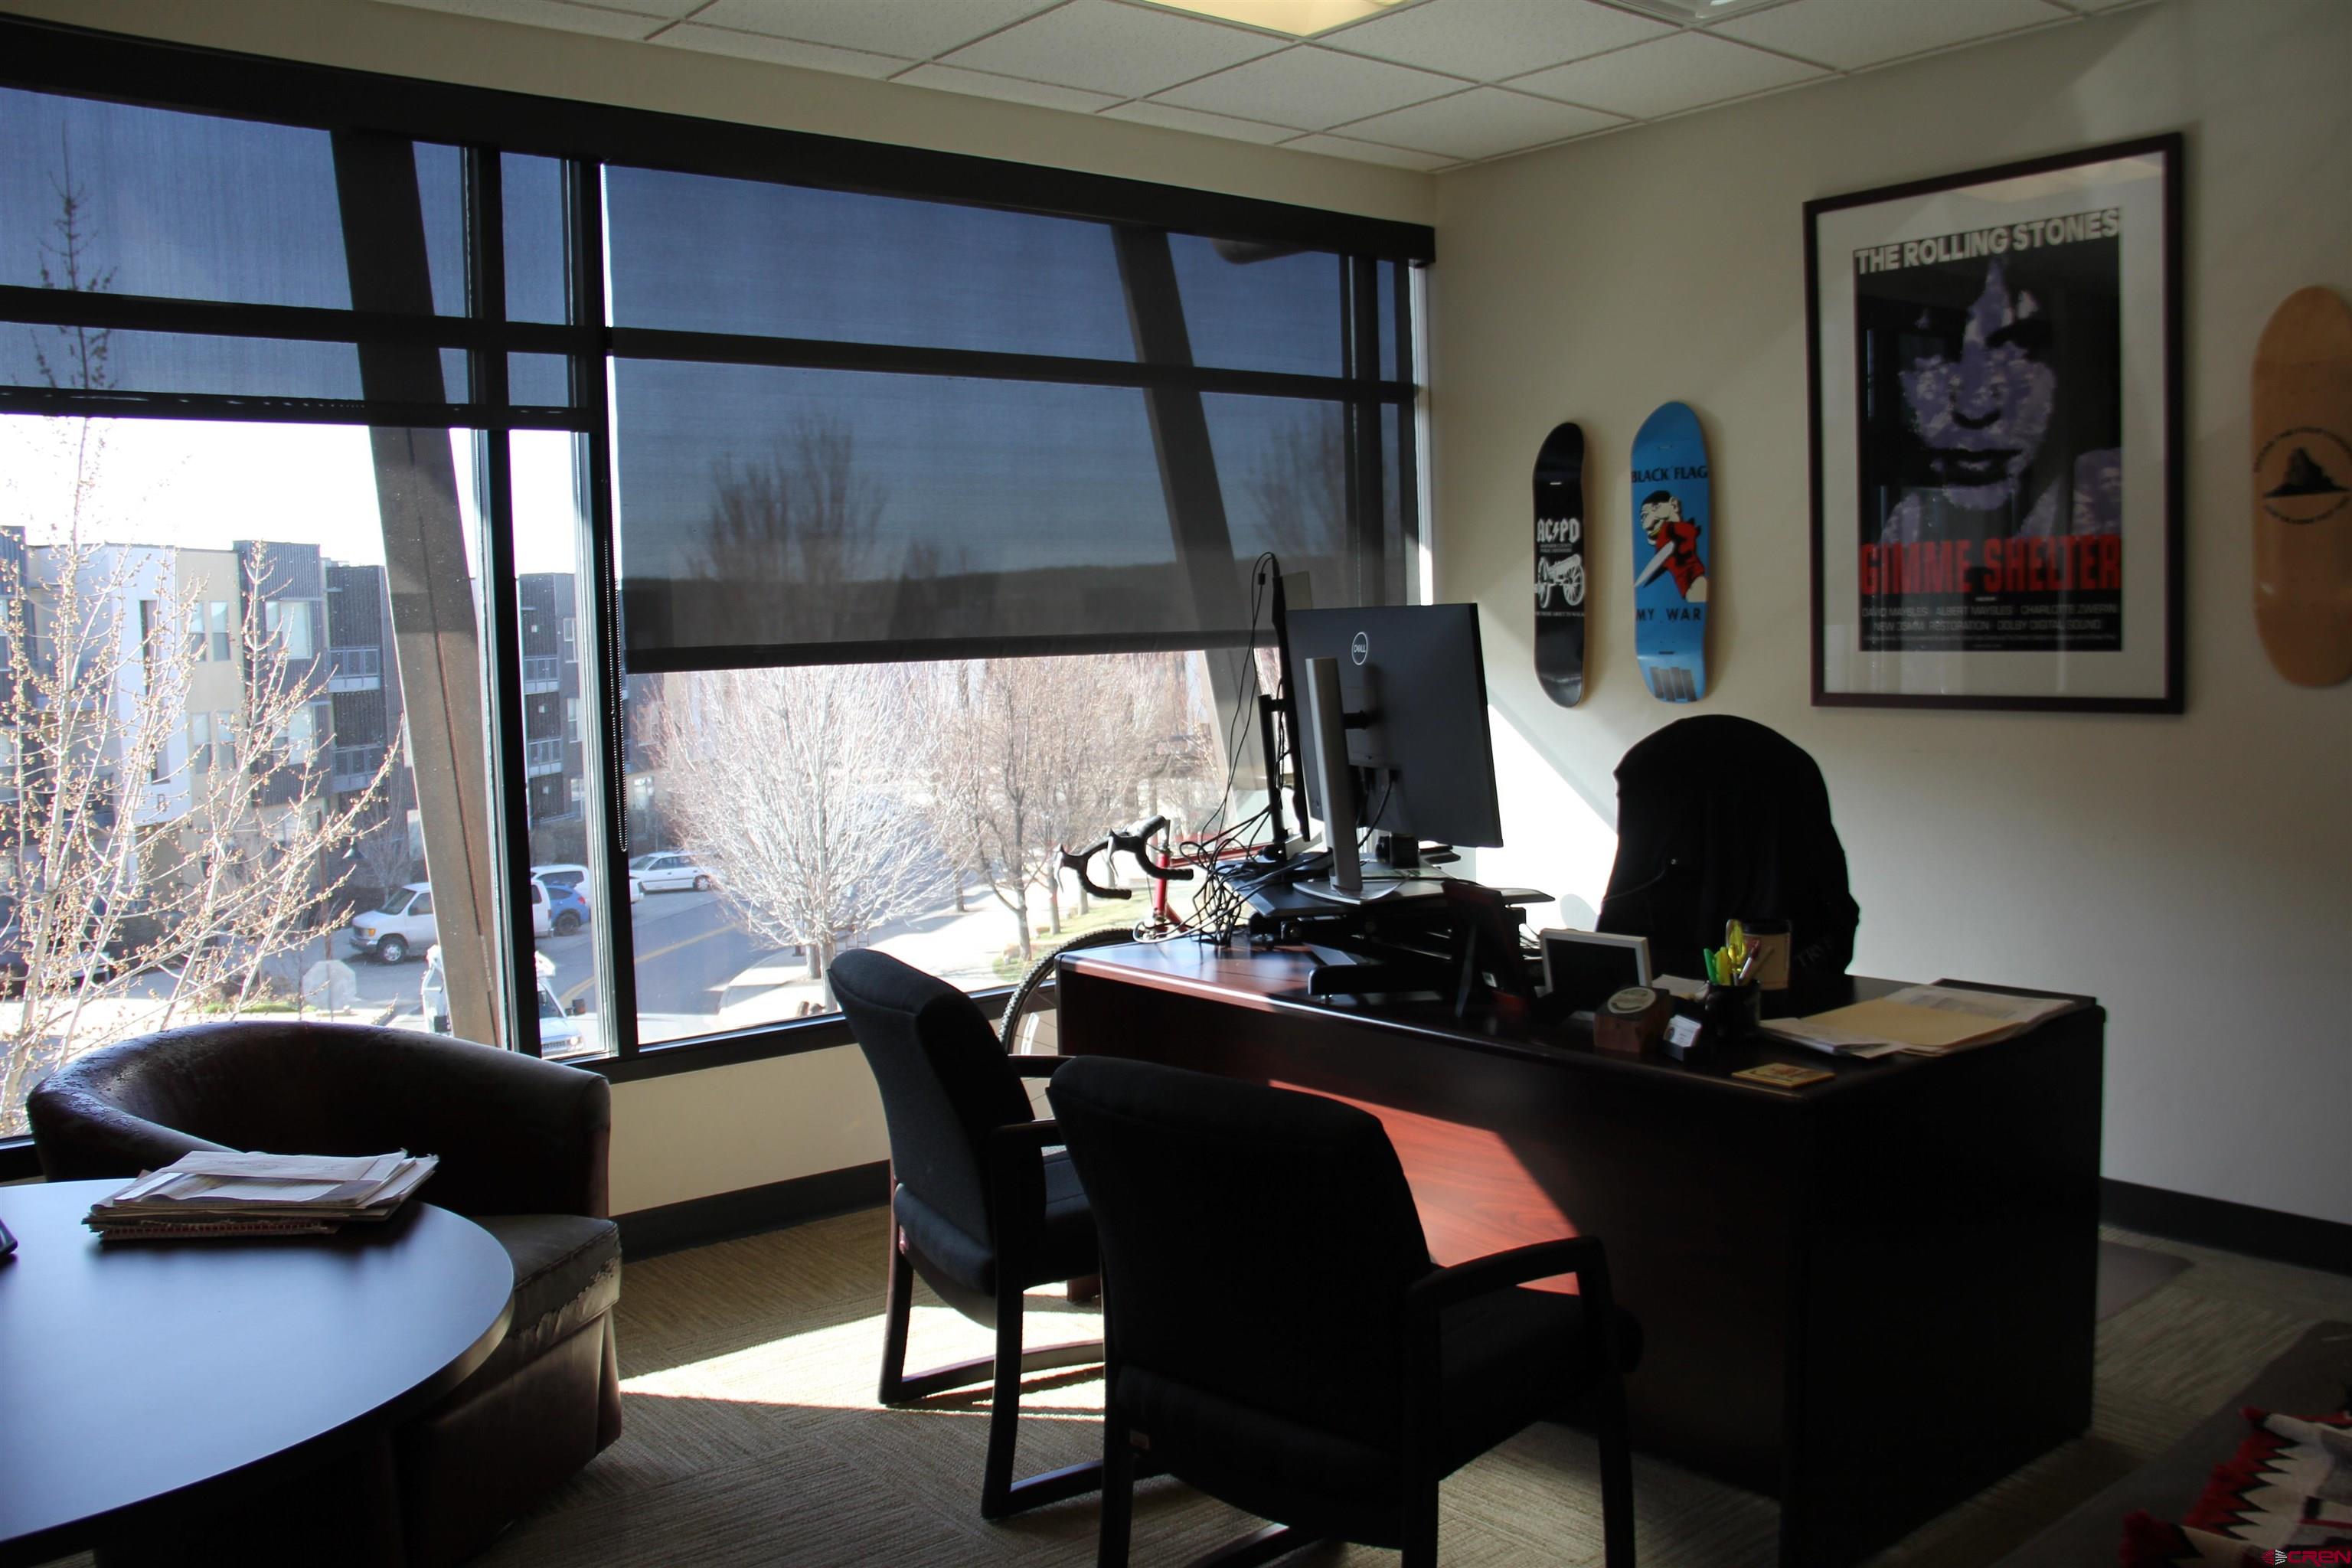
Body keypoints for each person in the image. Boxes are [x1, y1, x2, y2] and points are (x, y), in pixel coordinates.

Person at [1878, 256, 2119, 545]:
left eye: (2013, 352)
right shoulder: (1908, 525)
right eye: (1945, 353)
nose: (1975, 409)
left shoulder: (2111, 494)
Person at [1638, 491, 1708, 603]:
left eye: (1655, 507)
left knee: (1699, 588)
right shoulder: (1662, 540)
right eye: (1642, 516)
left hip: (1693, 577)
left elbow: (1690, 531)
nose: (1644, 518)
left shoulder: (1672, 528)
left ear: (1674, 505)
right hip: (1684, 586)